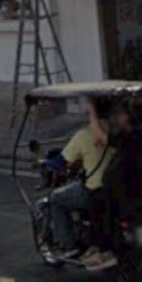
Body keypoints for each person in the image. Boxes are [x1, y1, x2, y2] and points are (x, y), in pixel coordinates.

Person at [46, 96, 113, 257]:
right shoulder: (119, 132)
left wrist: (48, 164)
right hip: (119, 189)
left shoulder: (84, 135)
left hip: (95, 192)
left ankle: (68, 245)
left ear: (91, 111)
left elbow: (61, 161)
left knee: (56, 198)